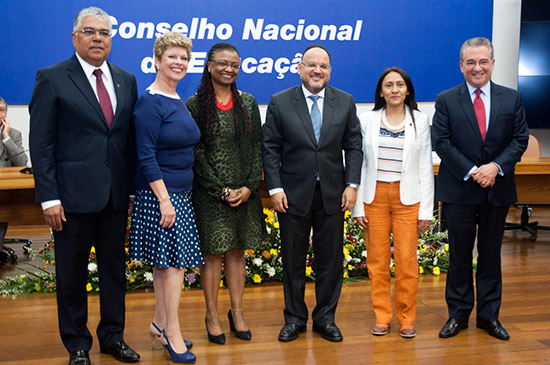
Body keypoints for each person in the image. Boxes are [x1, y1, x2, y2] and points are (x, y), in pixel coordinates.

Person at [29, 7, 140, 365]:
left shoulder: (126, 79)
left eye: (104, 33)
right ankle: (77, 345)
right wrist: (49, 197)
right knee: (72, 277)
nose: (98, 38)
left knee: (114, 273)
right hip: (71, 199)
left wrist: (133, 191)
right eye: (90, 32)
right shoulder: (52, 78)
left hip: (115, 197)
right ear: (75, 37)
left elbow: (128, 142)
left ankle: (113, 337)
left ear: (111, 39)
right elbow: (41, 144)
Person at [263, 44, 363, 342]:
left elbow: (354, 145)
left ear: (329, 71)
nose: (317, 70)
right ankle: (294, 318)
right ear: (300, 68)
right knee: (293, 259)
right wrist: (275, 187)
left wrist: (352, 185)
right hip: (292, 195)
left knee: (330, 260)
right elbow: (270, 148)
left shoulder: (344, 102)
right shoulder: (280, 102)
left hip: (333, 194)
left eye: (323, 66)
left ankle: (324, 318)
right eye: (311, 65)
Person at [432, 37, 529, 341]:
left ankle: (489, 317)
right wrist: (473, 171)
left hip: (496, 190)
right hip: (460, 191)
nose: (478, 67)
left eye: (483, 61)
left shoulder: (511, 98)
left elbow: (519, 140)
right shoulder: (446, 99)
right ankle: (458, 315)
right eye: (471, 62)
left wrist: (495, 167)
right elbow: (442, 142)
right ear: (461, 66)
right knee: (459, 256)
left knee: (490, 256)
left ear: (492, 63)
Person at [129, 32, 202, 364]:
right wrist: (164, 200)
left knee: (168, 266)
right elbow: (145, 155)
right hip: (161, 195)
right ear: (156, 60)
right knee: (172, 267)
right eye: (172, 56)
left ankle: (159, 325)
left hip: (180, 195)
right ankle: (173, 333)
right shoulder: (149, 102)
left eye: (184, 58)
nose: (179, 63)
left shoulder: (176, 99)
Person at [186, 43, 265, 344]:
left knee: (235, 253)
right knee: (212, 256)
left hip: (244, 193)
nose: (228, 69)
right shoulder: (194, 104)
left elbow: (257, 146)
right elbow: (196, 151)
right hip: (210, 195)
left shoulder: (248, 102)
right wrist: (220, 189)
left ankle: (238, 312)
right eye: (222, 63)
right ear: (208, 65)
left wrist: (248, 186)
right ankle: (212, 315)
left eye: (234, 64)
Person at [352, 67, 434, 338]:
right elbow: (360, 165)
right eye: (389, 85)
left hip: (407, 199)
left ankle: (407, 318)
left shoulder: (420, 120)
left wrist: (426, 210)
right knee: (377, 262)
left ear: (407, 90)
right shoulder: (367, 120)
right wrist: (358, 206)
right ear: (381, 92)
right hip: (373, 198)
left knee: (407, 262)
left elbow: (425, 166)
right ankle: (382, 316)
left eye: (400, 85)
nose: (395, 90)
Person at [0, 96, 28, 167]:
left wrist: (6, 138)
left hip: (6, 177)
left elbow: (22, 163)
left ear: (6, 113)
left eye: (1, 109)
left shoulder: (14, 134)